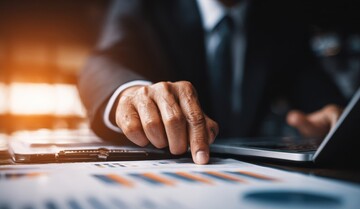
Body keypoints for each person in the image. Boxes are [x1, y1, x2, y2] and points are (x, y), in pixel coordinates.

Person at [78, 0, 346, 165]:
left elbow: (316, 90)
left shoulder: (281, 17)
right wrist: (130, 93)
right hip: (174, 171)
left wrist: (334, 118)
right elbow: (102, 63)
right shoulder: (146, 5)